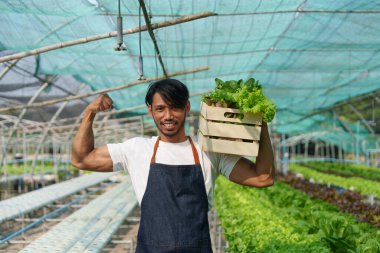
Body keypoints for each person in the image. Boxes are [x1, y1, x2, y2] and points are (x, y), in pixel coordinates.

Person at [72, 78, 275, 253]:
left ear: (186, 108)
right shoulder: (137, 149)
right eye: (160, 109)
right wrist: (90, 112)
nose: (168, 116)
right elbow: (82, 159)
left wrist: (260, 123)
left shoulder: (209, 151)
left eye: (175, 108)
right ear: (150, 110)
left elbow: (263, 177)